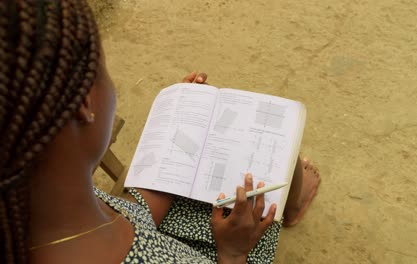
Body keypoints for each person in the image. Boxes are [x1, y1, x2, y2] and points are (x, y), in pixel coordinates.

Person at [0, 1, 321, 263]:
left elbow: (128, 216)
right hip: (218, 254)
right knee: (264, 201)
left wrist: (177, 126)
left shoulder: (29, 207)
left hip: (140, 228)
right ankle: (290, 205)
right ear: (83, 105)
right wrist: (233, 253)